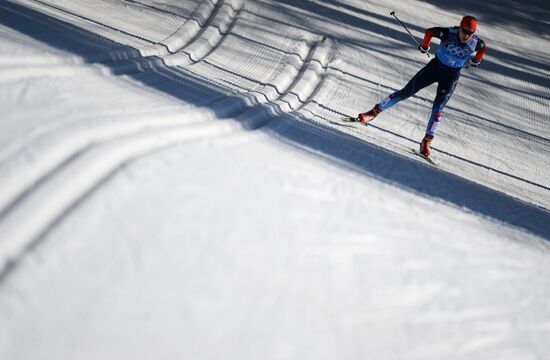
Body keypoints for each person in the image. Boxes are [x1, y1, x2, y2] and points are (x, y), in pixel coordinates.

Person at [354, 15, 488, 157]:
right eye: (464, 30)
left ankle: (426, 142)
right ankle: (372, 113)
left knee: (438, 108)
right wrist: (425, 46)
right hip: (435, 68)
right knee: (405, 92)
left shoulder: (476, 43)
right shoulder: (449, 33)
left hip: (451, 76)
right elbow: (430, 31)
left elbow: (483, 48)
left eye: (470, 32)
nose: (466, 35)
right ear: (459, 27)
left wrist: (477, 60)